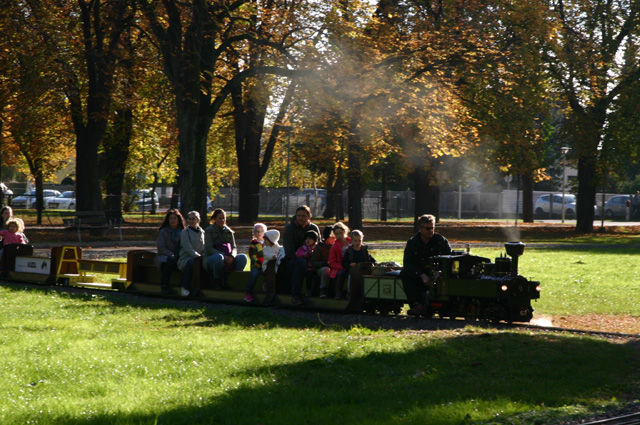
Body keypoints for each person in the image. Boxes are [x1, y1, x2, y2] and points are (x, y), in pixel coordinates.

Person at [400, 214, 451, 316]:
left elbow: (449, 259)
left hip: (437, 274)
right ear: (420, 228)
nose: (431, 231)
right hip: (419, 274)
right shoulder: (413, 242)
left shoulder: (441, 241)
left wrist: (437, 274)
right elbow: (408, 262)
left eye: (432, 228)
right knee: (405, 273)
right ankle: (417, 305)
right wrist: (421, 275)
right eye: (428, 228)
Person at [282, 205, 320, 305]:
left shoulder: (313, 228)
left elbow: (318, 247)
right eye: (298, 215)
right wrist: (304, 254)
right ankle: (296, 295)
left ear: (309, 217)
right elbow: (289, 251)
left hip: (312, 259)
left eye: (303, 216)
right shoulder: (290, 228)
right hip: (293, 260)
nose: (300, 218)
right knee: (301, 263)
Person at [203, 208, 248, 288]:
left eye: (224, 218)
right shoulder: (209, 231)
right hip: (213, 258)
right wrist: (223, 256)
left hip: (229, 257)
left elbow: (234, 247)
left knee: (243, 257)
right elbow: (209, 248)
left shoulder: (229, 232)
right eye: (220, 218)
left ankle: (235, 280)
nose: (222, 220)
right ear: (215, 219)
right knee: (219, 257)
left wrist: (232, 256)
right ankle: (217, 282)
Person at [155, 209, 185, 294]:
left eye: (174, 218)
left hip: (179, 256)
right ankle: (164, 285)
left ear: (178, 220)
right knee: (170, 260)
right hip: (165, 256)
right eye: (170, 218)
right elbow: (161, 248)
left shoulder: (183, 232)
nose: (172, 220)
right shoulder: (163, 232)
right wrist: (171, 254)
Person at [177, 211, 205, 297]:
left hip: (200, 258)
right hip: (186, 259)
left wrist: (204, 257)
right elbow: (188, 248)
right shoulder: (185, 232)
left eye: (193, 219)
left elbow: (205, 247)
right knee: (192, 263)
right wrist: (198, 257)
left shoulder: (203, 232)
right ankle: (185, 287)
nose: (191, 221)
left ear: (198, 220)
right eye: (189, 219)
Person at [244, 223, 267, 302]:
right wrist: (260, 266)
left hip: (266, 265)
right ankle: (248, 292)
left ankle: (268, 288)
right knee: (254, 274)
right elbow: (253, 257)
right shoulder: (253, 244)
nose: (259, 233)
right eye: (257, 231)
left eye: (262, 231)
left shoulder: (267, 243)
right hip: (256, 265)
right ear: (254, 232)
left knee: (271, 274)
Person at [328, 222, 351, 299]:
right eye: (337, 234)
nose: (339, 235)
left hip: (353, 265)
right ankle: (339, 292)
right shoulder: (334, 247)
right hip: (341, 267)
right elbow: (332, 262)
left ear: (345, 232)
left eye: (341, 233)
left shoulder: (352, 242)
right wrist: (342, 266)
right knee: (341, 274)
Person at [261, 229, 284, 305]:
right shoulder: (265, 249)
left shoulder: (279, 248)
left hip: (277, 267)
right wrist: (273, 256)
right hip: (267, 267)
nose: (264, 242)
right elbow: (266, 255)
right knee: (271, 264)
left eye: (266, 240)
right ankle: (270, 292)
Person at [312, 226, 335, 298]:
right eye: (332, 237)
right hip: (321, 268)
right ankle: (323, 290)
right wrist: (325, 263)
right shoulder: (320, 247)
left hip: (334, 266)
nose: (334, 239)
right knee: (326, 270)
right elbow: (314, 262)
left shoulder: (335, 246)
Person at [295, 230, 318, 296]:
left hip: (316, 267)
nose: (308, 240)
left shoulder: (317, 247)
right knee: (309, 276)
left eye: (310, 239)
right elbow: (298, 254)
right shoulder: (303, 248)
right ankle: (308, 290)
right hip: (308, 268)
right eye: (306, 239)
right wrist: (306, 254)